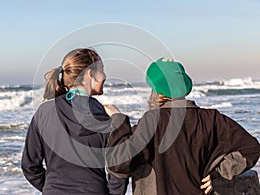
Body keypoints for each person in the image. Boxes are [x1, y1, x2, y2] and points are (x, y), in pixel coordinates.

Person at [104, 57, 260, 195]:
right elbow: (251, 147)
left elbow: (118, 164)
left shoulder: (153, 120)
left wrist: (118, 121)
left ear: (157, 92)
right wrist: (219, 173)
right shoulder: (211, 119)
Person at [21, 48, 128, 195]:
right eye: (102, 70)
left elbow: (30, 166)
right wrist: (119, 122)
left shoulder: (43, 112)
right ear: (90, 74)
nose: (105, 76)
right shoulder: (105, 116)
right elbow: (119, 167)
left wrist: (51, 188)